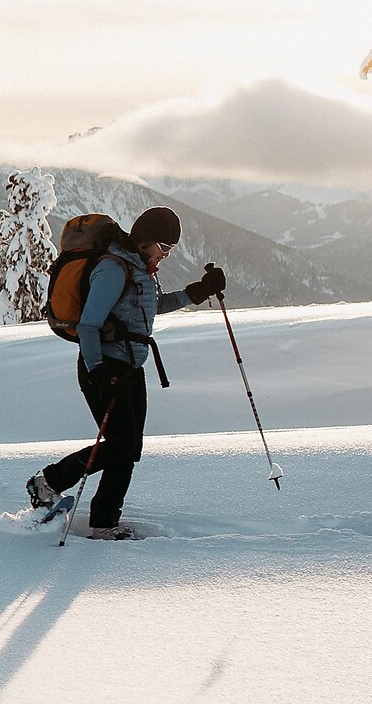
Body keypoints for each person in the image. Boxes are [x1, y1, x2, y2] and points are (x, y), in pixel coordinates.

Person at [24, 207, 225, 538]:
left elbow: (153, 306)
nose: (166, 256)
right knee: (119, 445)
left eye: (170, 250)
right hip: (103, 368)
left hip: (130, 368)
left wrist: (196, 292)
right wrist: (100, 371)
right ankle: (49, 484)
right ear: (145, 242)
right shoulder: (113, 269)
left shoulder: (142, 271)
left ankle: (102, 521)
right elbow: (88, 325)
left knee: (129, 449)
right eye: (163, 248)